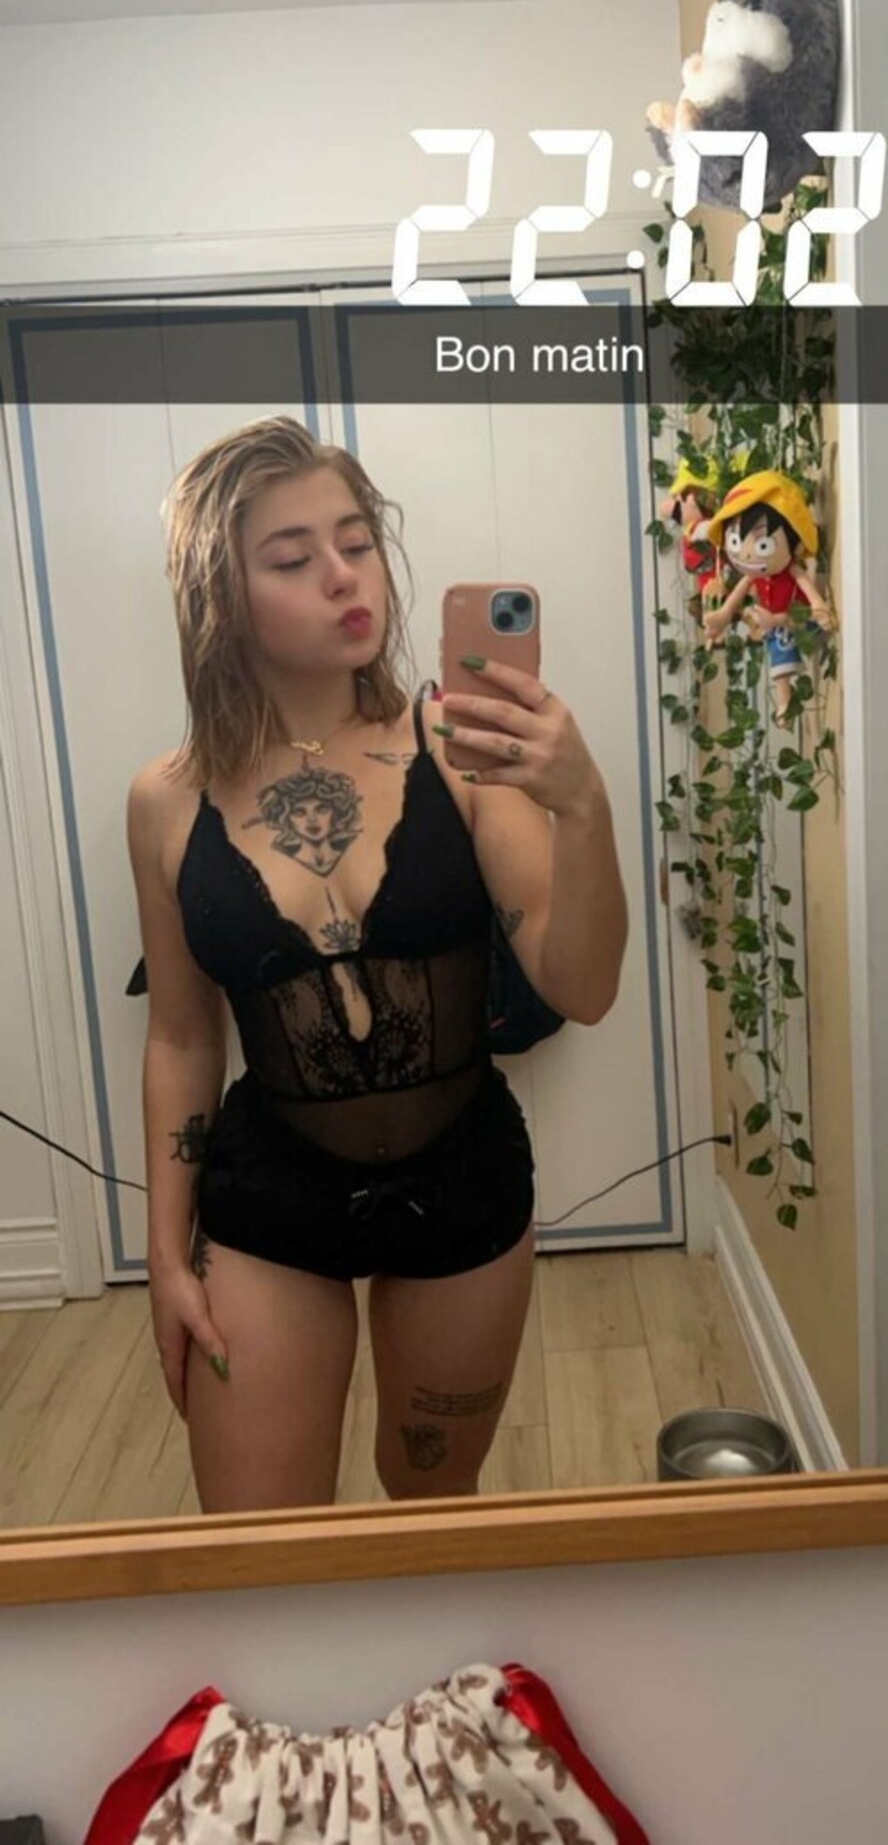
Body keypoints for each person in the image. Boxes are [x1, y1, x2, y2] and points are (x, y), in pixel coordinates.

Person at [126, 415, 628, 1513]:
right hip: (270, 1195)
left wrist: (584, 807)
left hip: (462, 1181)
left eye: (356, 541)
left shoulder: (459, 747)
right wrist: (164, 1255)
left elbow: (582, 987)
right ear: (220, 598)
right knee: (261, 1532)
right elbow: (181, 1033)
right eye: (293, 557)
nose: (344, 574)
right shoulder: (166, 800)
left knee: (431, 1504)